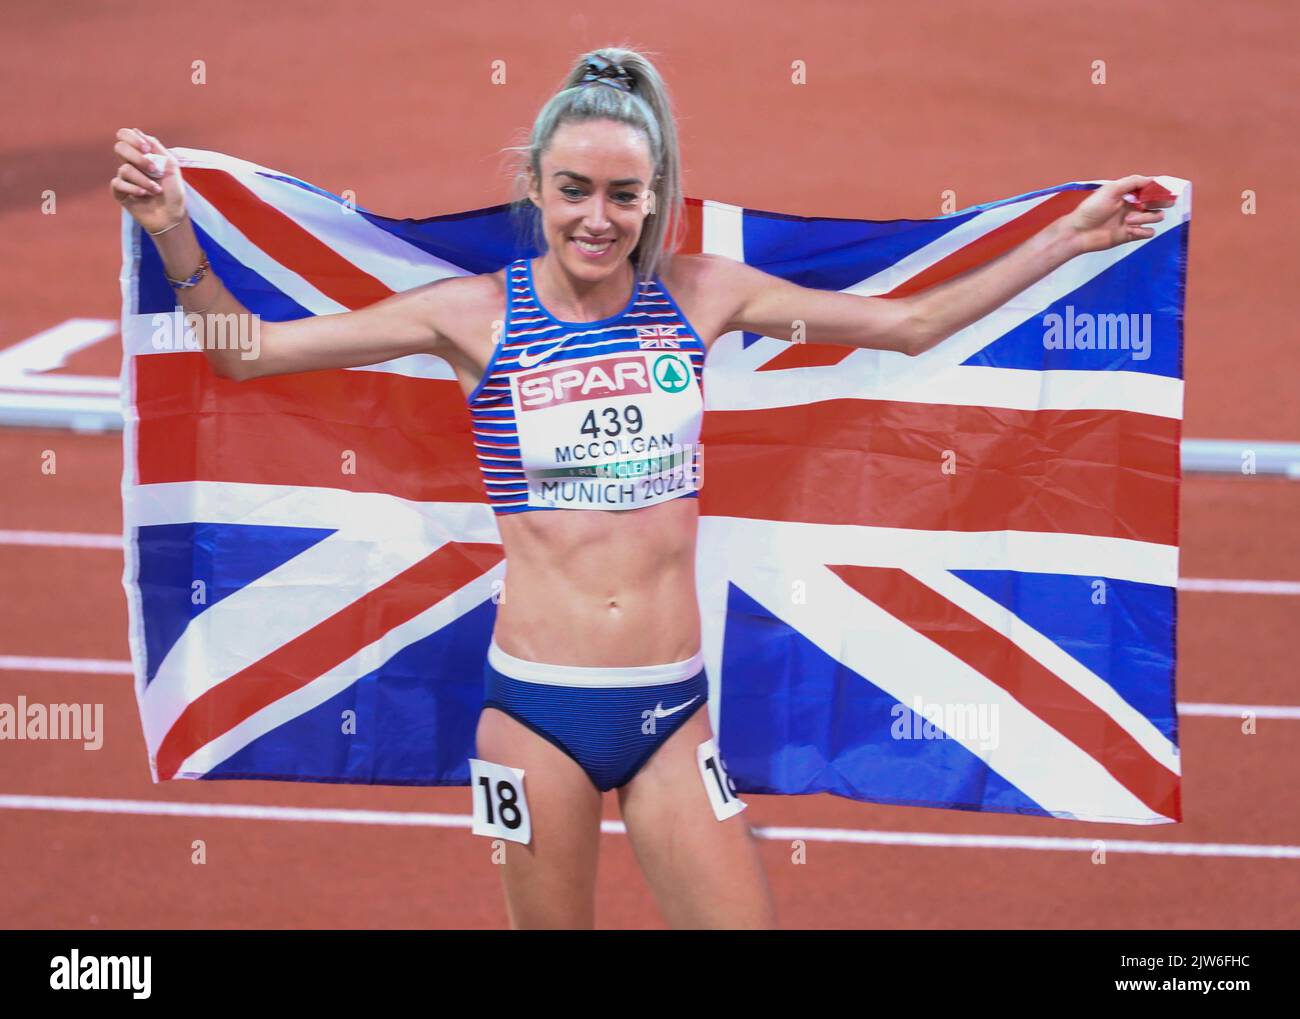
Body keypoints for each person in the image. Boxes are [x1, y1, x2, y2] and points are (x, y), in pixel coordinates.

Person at [110, 45, 1169, 930]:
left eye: (624, 193)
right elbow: (246, 354)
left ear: (657, 194)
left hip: (671, 714)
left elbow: (911, 325)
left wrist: (1066, 236)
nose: (597, 217)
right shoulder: (468, 315)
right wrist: (170, 225)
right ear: (534, 186)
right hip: (532, 715)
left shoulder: (700, 294)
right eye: (573, 190)